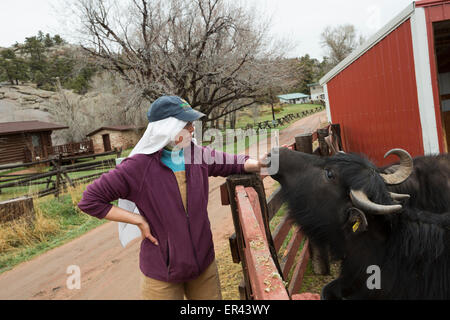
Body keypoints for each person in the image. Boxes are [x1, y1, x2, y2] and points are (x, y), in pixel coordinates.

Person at [77, 96, 266, 300]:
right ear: (167, 128)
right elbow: (90, 200)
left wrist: (259, 163)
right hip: (161, 275)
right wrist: (137, 220)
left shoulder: (197, 155)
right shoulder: (138, 167)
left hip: (204, 266)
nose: (192, 129)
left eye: (192, 124)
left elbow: (233, 163)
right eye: (186, 124)